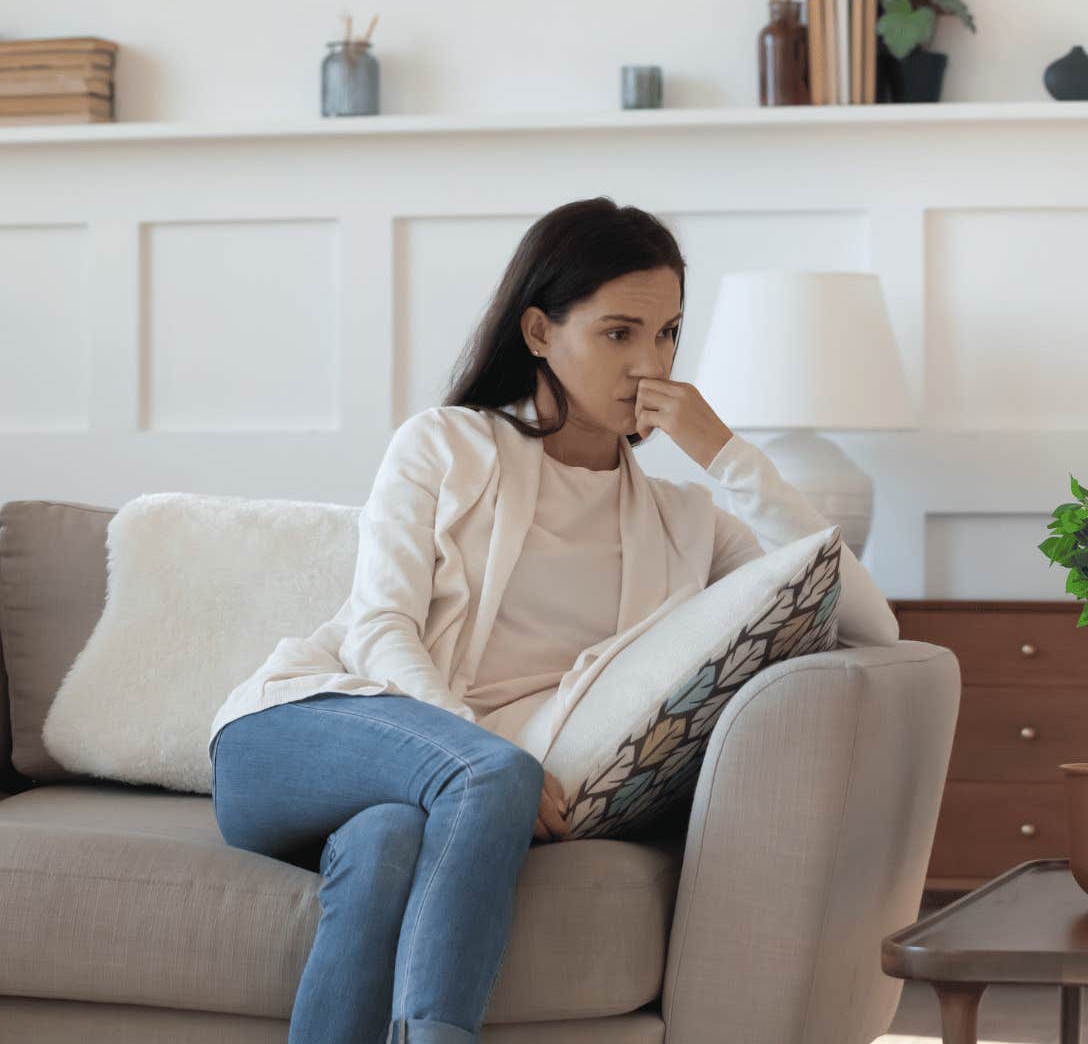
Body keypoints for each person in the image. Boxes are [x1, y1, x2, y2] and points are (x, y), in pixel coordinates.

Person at [207, 198, 900, 1044]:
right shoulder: (444, 446)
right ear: (539, 331)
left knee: (389, 846)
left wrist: (724, 452)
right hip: (304, 728)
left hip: (428, 801)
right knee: (496, 773)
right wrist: (478, 753)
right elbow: (379, 633)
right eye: (619, 334)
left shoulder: (687, 522)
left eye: (670, 333)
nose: (651, 364)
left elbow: (870, 624)